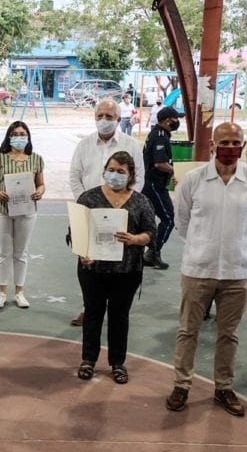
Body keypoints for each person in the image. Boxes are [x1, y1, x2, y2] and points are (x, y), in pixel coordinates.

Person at [166, 123, 247, 417]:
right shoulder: (193, 180)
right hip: (198, 270)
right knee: (188, 331)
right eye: (224, 142)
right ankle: (181, 385)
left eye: (236, 142)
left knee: (229, 334)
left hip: (237, 272)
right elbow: (182, 222)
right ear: (213, 145)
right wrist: (203, 247)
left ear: (243, 145)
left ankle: (224, 387)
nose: (230, 148)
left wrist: (238, 247)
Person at [75, 151, 156, 384]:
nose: (115, 175)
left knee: (120, 316)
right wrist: (83, 254)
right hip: (93, 271)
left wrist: (135, 239)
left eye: (121, 171)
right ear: (104, 171)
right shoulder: (88, 198)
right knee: (92, 313)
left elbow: (151, 233)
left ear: (130, 176)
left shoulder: (141, 201)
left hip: (127, 271)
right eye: (111, 170)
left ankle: (118, 362)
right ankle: (88, 360)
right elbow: (75, 232)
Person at [68, 98, 145, 327]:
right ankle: (89, 308)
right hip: (89, 213)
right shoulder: (84, 145)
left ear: (119, 119)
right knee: (89, 262)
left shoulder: (131, 145)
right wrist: (85, 203)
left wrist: (123, 204)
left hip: (121, 215)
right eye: (100, 116)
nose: (104, 120)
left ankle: (116, 311)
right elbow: (74, 176)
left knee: (115, 260)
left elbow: (139, 179)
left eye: (109, 117)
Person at [0, 121, 45, 309]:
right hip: (1, 210)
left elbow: (41, 184)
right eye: (15, 134)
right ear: (9, 137)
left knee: (21, 253)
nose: (19, 138)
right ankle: (2, 292)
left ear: (28, 137)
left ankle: (19, 292)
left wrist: (40, 192)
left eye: (22, 134)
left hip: (26, 211)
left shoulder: (36, 159)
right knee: (4, 252)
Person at [142, 106, 180, 270]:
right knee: (169, 218)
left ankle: (150, 252)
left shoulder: (158, 134)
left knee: (150, 219)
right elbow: (160, 163)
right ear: (168, 120)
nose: (178, 122)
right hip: (154, 184)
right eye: (176, 119)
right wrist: (176, 170)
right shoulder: (160, 136)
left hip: (155, 183)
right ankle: (153, 252)